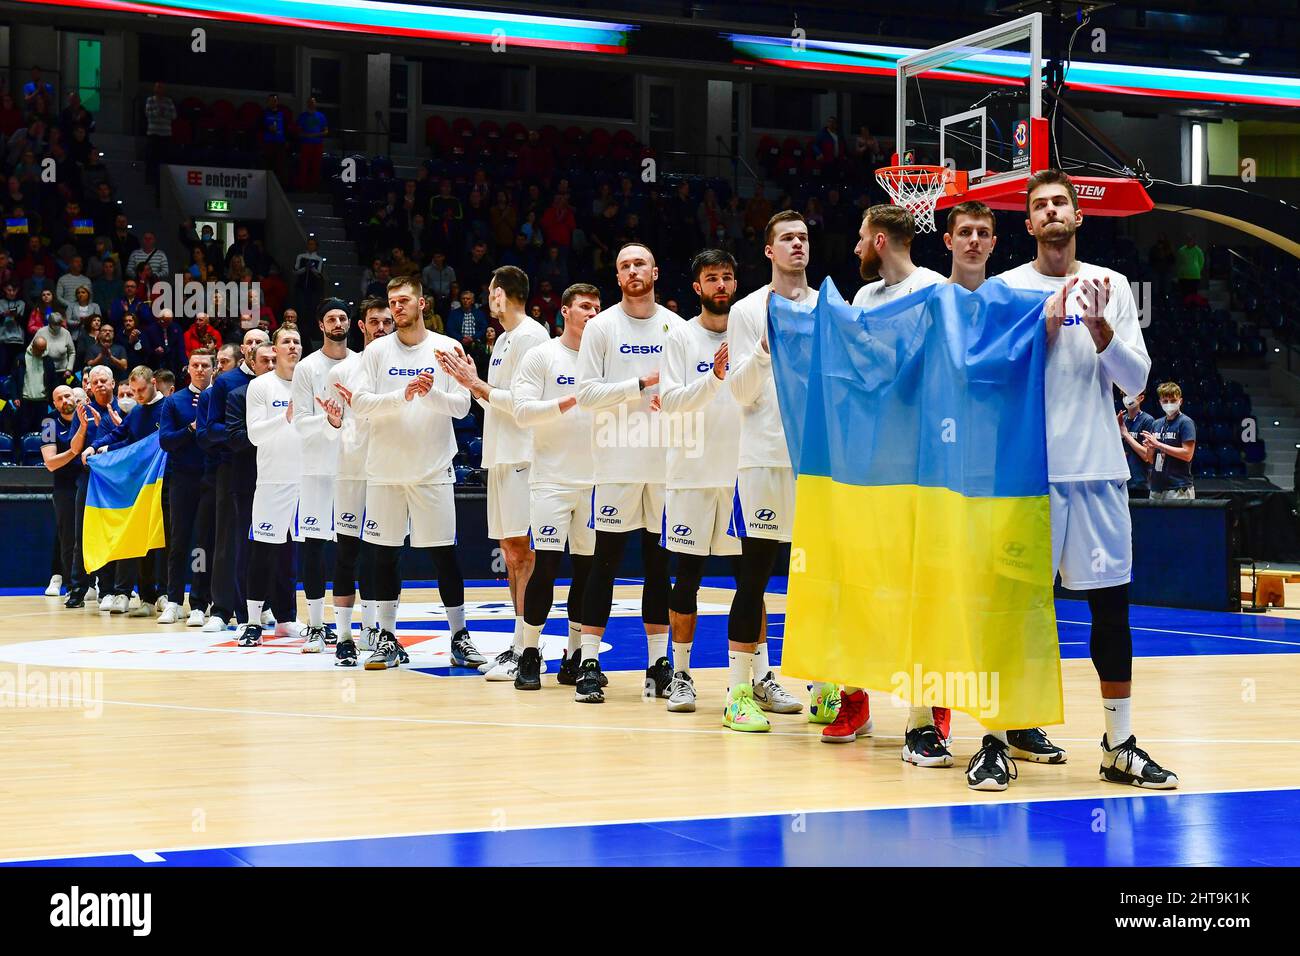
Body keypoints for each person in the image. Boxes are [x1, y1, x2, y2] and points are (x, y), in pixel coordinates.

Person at [996, 168, 1177, 789]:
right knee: (1016, 610)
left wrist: (1102, 333)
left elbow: (1135, 382)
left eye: (1060, 204)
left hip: (1098, 469)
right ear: (1028, 224)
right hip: (1027, 476)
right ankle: (997, 738)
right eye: (1040, 205)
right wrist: (1041, 329)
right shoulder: (1006, 288)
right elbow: (991, 377)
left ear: (1078, 218)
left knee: (1111, 608)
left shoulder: (1113, 286)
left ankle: (1118, 743)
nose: (1051, 212)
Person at [811, 205, 950, 748]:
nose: (855, 249)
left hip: (923, 463)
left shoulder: (936, 290)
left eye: (862, 238)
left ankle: (932, 708)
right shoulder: (864, 299)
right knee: (859, 585)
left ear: (883, 240)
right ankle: (855, 702)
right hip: (869, 463)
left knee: (926, 589)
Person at [663, 248, 802, 718]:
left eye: (727, 276)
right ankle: (680, 675)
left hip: (742, 472)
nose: (720, 285)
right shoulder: (679, 337)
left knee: (752, 583)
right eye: (711, 279)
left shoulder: (753, 326)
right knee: (687, 582)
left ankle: (761, 679)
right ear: (697, 287)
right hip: (693, 477)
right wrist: (715, 378)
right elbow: (671, 401)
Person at [724, 212, 827, 732]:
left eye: (804, 238)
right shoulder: (747, 311)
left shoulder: (831, 304)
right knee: (755, 576)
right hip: (763, 455)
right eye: (787, 238)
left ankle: (826, 686)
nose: (797, 245)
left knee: (820, 576)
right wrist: (767, 349)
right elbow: (739, 391)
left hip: (819, 460)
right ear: (769, 251)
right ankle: (739, 691)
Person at [573, 243, 684, 704]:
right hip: (616, 461)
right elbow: (585, 394)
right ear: (617, 277)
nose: (633, 270)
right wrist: (641, 384)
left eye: (640, 263)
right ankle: (590, 663)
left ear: (655, 271)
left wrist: (671, 393)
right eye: (624, 266)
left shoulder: (676, 327)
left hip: (664, 463)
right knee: (606, 564)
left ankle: (659, 664)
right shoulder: (601, 327)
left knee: (659, 566)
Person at [347, 277, 474, 670]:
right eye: (391, 302)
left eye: (404, 301)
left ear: (423, 304)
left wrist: (428, 393)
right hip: (385, 469)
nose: (397, 308)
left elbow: (463, 407)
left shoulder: (447, 348)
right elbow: (362, 405)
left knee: (444, 557)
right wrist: (403, 394)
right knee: (382, 556)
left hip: (432, 468)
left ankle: (459, 636)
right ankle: (386, 637)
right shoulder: (375, 352)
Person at [437, 266, 549, 679]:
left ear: (501, 294)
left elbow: (521, 404)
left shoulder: (533, 338)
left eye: (490, 293)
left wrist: (476, 383)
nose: (488, 300)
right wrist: (470, 383)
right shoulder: (502, 340)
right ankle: (517, 644)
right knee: (510, 553)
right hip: (500, 455)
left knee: (523, 552)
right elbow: (494, 402)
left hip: (523, 454)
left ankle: (526, 646)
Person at [510, 283, 601, 690]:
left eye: (598, 307)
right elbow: (522, 411)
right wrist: (567, 401)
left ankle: (576, 654)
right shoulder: (542, 356)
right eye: (585, 306)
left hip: (598, 481)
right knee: (547, 567)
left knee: (588, 571)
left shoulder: (607, 358)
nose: (593, 313)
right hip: (551, 479)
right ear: (565, 311)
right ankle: (529, 652)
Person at [323, 298, 394, 665]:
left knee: (382, 555)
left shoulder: (401, 367)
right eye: (374, 322)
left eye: (387, 322)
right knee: (347, 553)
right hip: (351, 470)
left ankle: (377, 630)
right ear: (362, 326)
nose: (381, 328)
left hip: (388, 472)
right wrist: (333, 423)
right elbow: (333, 425)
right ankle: (345, 636)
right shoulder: (344, 371)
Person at [231, 328, 303, 645]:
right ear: (274, 348)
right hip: (273, 481)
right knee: (263, 552)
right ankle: (252, 622)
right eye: (286, 341)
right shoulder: (260, 386)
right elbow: (255, 435)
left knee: (298, 555)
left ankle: (290, 619)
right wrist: (285, 417)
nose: (292, 346)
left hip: (308, 480)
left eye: (297, 341)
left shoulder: (312, 380)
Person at [196, 328, 270, 632]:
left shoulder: (277, 381)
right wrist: (246, 436)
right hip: (232, 467)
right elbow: (209, 431)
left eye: (260, 342)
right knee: (228, 539)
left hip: (272, 469)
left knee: (268, 539)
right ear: (243, 349)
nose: (254, 347)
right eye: (250, 342)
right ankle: (222, 608)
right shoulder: (226, 383)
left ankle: (261, 606)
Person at [291, 300, 352, 653]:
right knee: (313, 546)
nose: (338, 323)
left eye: (343, 317)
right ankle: (315, 625)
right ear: (321, 325)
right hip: (315, 468)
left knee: (349, 549)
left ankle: (355, 625)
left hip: (351, 468)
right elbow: (300, 420)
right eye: (331, 318)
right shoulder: (307, 368)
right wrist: (329, 420)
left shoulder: (361, 363)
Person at [83, 366, 167, 617]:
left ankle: (165, 594)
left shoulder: (169, 407)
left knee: (162, 542)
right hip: (138, 486)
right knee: (139, 538)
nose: (138, 396)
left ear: (154, 382)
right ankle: (145, 597)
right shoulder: (138, 412)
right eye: (134, 391)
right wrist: (97, 447)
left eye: (142, 390)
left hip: (163, 484)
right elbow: (121, 435)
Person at [157, 349, 217, 625]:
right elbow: (166, 441)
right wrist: (191, 429)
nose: (201, 369)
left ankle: (199, 602)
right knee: (179, 542)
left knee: (204, 544)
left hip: (211, 478)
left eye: (206, 365)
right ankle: (173, 600)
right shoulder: (174, 401)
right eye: (196, 365)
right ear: (188, 369)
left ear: (213, 369)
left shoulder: (219, 398)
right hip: (182, 479)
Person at [42, 384, 89, 601]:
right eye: (59, 398)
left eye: (68, 396)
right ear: (55, 404)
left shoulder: (87, 417)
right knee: (69, 536)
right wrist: (73, 452)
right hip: (65, 487)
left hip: (90, 483)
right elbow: (51, 463)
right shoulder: (49, 423)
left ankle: (98, 584)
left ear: (76, 396)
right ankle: (72, 585)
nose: (65, 401)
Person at [1143, 382, 1196, 502]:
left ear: (1180, 401)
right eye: (1165, 401)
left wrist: (1158, 444)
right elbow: (1151, 460)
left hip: (1178, 488)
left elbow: (1187, 454)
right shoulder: (1156, 424)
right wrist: (1150, 449)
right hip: (1156, 488)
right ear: (1160, 402)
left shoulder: (1185, 423)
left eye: (1173, 400)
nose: (1169, 404)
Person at [1119, 389, 1156, 494]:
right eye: (1125, 395)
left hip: (1139, 482)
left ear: (1141, 398)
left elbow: (1146, 455)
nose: (1127, 398)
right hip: (1122, 481)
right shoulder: (1121, 420)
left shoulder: (1148, 421)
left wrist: (1126, 434)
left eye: (1131, 394)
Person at [143, 81, 176, 187]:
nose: (159, 89)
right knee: (151, 157)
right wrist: (158, 112)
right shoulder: (150, 100)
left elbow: (174, 115)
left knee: (164, 158)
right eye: (157, 87)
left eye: (161, 87)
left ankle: (164, 180)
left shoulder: (169, 101)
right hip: (153, 133)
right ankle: (150, 180)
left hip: (165, 134)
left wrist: (163, 113)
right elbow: (148, 114)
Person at [296, 97, 329, 192]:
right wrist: (306, 135)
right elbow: (299, 131)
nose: (311, 104)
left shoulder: (321, 116)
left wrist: (317, 135)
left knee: (316, 166)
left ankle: (314, 187)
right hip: (306, 144)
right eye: (309, 102)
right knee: (304, 165)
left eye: (313, 102)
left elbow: (326, 131)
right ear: (307, 104)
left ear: (315, 104)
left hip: (317, 145)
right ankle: (302, 187)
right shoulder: (302, 116)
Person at [1175, 234, 1204, 301]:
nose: (1189, 241)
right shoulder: (1181, 250)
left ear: (1194, 241)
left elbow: (1201, 262)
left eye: (1191, 240)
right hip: (1183, 276)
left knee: (1193, 295)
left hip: (1194, 276)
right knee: (1184, 295)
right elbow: (1178, 262)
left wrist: (1196, 270)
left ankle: (1192, 309)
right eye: (1188, 240)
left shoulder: (1198, 251)